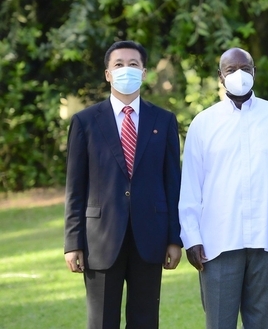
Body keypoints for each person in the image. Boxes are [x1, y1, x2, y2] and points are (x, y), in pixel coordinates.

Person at [178, 47, 268, 329]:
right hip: (218, 243)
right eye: (230, 69)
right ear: (220, 76)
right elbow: (190, 187)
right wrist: (191, 238)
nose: (239, 74)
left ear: (254, 72)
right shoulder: (203, 123)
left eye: (245, 68)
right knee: (219, 324)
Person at [64, 40, 182, 329]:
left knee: (145, 321)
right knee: (102, 321)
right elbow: (75, 188)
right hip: (100, 240)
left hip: (150, 237)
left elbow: (172, 183)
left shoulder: (164, 121)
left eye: (133, 64)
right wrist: (72, 242)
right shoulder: (85, 122)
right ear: (107, 74)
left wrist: (174, 238)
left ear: (143, 73)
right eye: (119, 65)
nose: (125, 70)